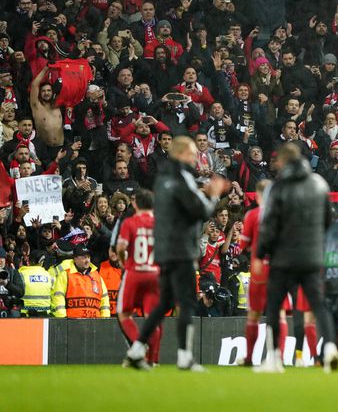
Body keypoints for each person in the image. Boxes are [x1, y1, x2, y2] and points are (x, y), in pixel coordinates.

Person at [125, 136, 229, 372]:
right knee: (186, 301)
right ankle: (184, 356)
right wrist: (212, 194)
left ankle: (136, 349)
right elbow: (200, 211)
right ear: (182, 153)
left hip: (165, 248)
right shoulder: (182, 178)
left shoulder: (163, 179)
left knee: (165, 303)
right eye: (192, 154)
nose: (195, 158)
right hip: (181, 249)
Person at [257, 143, 338, 373]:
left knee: (274, 306)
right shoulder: (319, 184)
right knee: (319, 305)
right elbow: (327, 220)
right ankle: (331, 349)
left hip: (283, 258)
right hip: (312, 257)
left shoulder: (278, 187)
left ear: (282, 161)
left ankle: (274, 359)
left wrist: (260, 253)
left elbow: (269, 224)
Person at [236, 180, 289, 367]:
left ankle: (250, 357)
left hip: (258, 271)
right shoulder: (284, 215)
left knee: (254, 315)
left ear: (258, 196)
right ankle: (278, 357)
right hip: (279, 270)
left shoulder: (253, 215)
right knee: (280, 314)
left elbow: (243, 245)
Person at [115, 189, 161, 366]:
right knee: (152, 319)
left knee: (124, 314)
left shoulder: (130, 222)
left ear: (135, 204)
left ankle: (138, 347)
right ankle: (152, 361)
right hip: (155, 274)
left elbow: (120, 247)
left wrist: (122, 261)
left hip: (135, 272)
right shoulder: (160, 224)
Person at [51, 245, 110, 319]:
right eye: (83, 257)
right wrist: (62, 319)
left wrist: (105, 319)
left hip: (95, 323)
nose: (87, 260)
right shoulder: (65, 275)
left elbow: (104, 300)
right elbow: (58, 298)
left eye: (88, 257)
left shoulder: (97, 276)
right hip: (72, 323)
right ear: (75, 259)